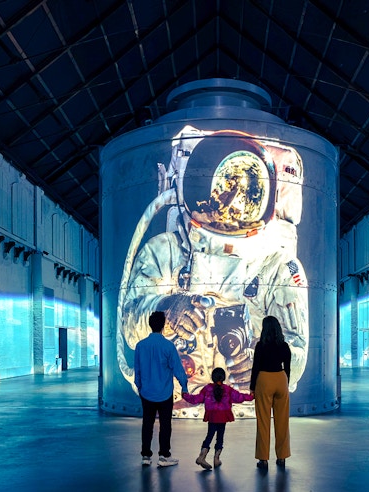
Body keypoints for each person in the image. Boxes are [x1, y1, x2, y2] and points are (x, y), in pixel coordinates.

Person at [116, 126, 310, 417]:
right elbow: (129, 329)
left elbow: (297, 352)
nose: (231, 202)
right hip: (174, 407)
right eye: (223, 187)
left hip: (247, 410)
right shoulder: (164, 252)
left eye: (247, 192)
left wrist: (260, 360)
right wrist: (164, 310)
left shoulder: (278, 267)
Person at [135, 311, 190, 467]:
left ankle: (146, 456)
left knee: (147, 424)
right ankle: (164, 456)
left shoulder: (140, 346)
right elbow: (178, 369)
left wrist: (140, 387)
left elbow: (137, 370)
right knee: (165, 425)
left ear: (150, 325)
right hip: (165, 393)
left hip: (146, 392)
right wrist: (184, 387)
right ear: (164, 325)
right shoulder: (168, 346)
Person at [182, 367, 254, 470]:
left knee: (209, 435)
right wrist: (251, 396)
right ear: (224, 378)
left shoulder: (207, 389)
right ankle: (216, 459)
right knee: (220, 437)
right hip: (223, 416)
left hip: (212, 416)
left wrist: (186, 396)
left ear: (212, 377)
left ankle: (202, 456)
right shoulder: (228, 390)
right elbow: (239, 397)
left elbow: (197, 399)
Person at [250, 316, 292, 469]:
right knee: (282, 421)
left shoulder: (261, 345)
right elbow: (287, 368)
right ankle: (282, 457)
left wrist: (252, 386)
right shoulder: (284, 346)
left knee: (263, 421)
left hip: (264, 379)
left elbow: (256, 367)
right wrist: (285, 382)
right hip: (281, 379)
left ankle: (263, 459)